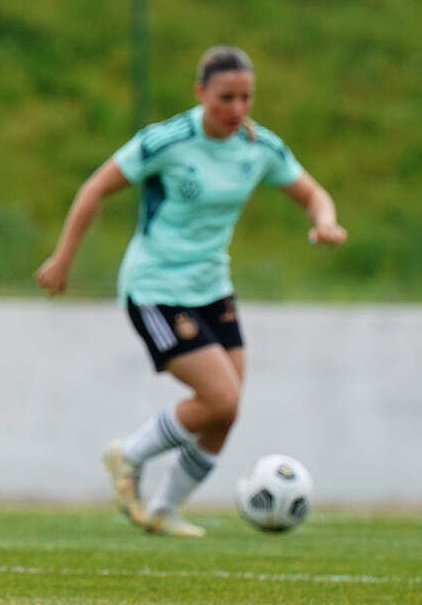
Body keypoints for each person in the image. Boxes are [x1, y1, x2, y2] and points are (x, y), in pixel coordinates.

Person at [34, 45, 347, 537]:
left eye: (246, 97)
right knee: (219, 396)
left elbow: (312, 192)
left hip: (211, 287)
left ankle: (163, 509)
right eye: (226, 97)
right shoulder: (168, 141)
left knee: (228, 408)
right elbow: (95, 188)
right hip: (155, 287)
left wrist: (325, 222)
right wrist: (63, 258)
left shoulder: (258, 147)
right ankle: (128, 455)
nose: (238, 109)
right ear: (200, 93)